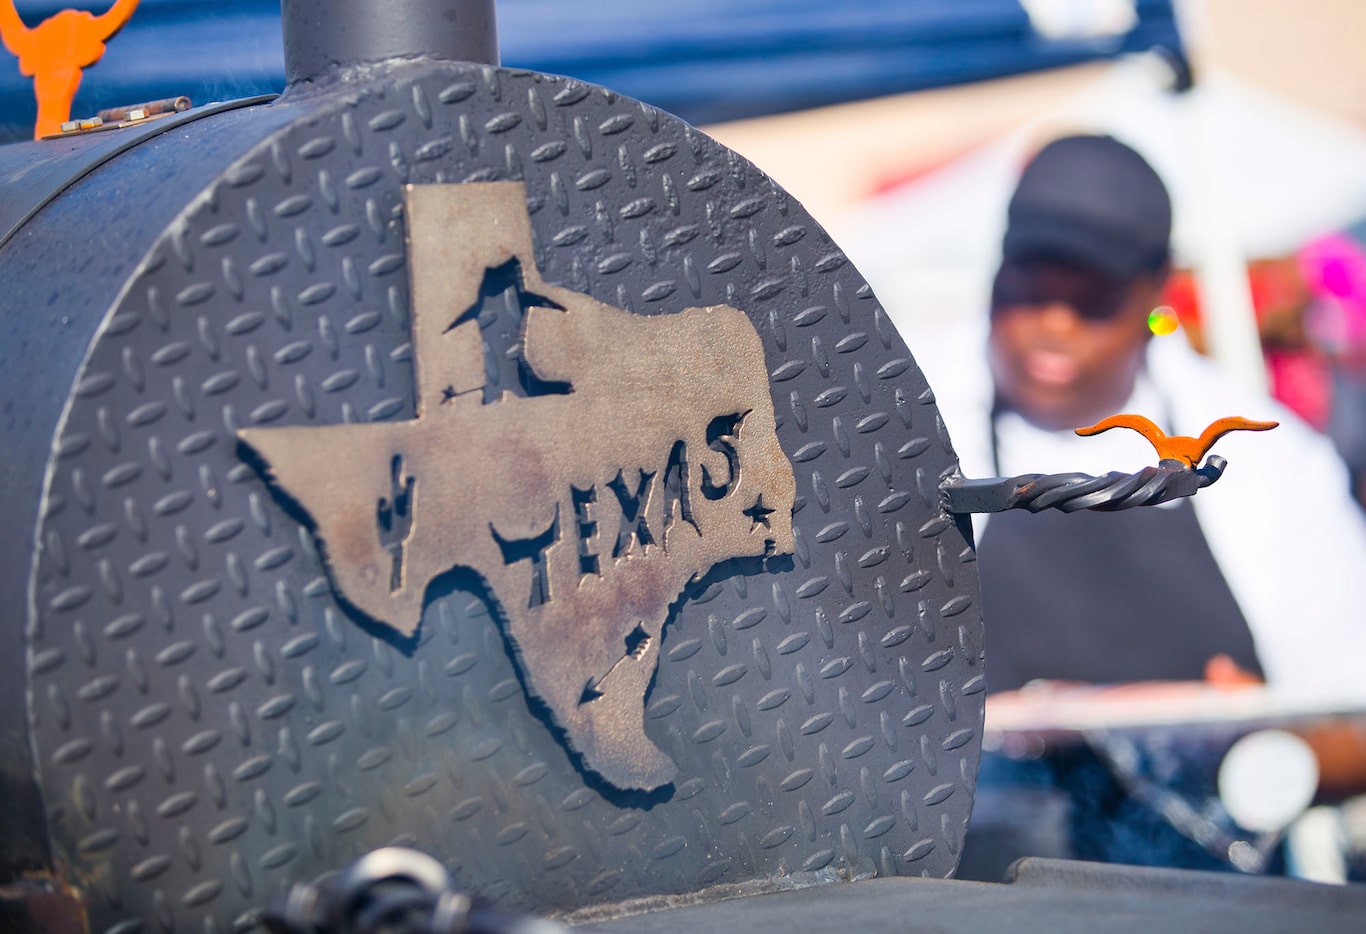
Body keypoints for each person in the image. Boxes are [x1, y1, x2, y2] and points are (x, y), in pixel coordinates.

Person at [919, 134, 1366, 701]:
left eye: (1093, 300)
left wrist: (1251, 733)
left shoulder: (1270, 464)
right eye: (1031, 290)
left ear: (1156, 291)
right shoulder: (902, 434)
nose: (1056, 324)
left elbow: (1350, 708)